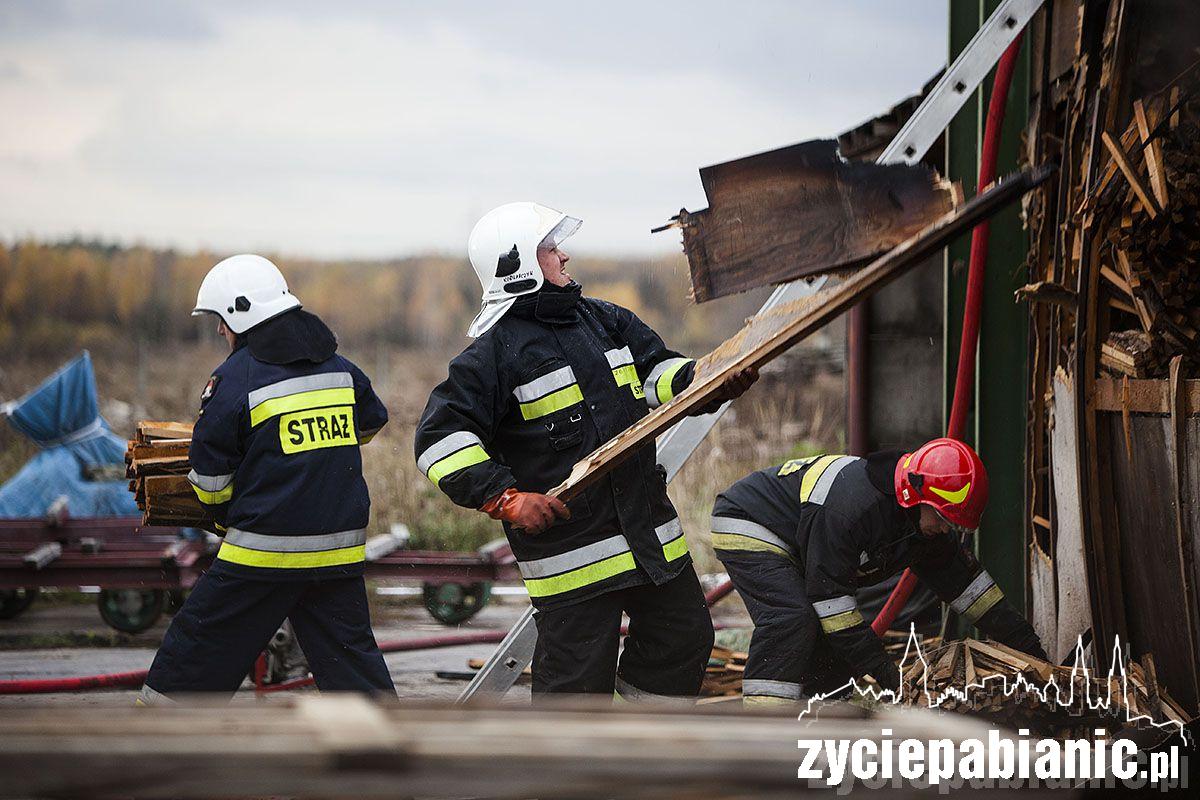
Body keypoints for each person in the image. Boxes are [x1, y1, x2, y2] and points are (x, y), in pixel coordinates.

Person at [415, 202, 757, 699]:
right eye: (550, 249)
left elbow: (656, 373)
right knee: (576, 685)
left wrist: (706, 380)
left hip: (650, 535)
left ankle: (640, 754)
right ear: (520, 264)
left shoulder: (604, 320)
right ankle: (567, 770)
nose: (564, 256)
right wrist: (505, 499)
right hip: (571, 554)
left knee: (684, 638)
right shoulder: (491, 356)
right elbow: (440, 440)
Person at [139, 254, 395, 703]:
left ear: (241, 314)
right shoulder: (339, 366)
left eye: (220, 319)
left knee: (197, 647)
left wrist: (224, 521)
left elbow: (210, 480)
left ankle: (156, 743)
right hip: (338, 550)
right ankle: (385, 752)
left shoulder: (234, 379)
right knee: (351, 662)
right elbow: (371, 421)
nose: (220, 330)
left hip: (261, 555)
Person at [709, 438, 1046, 705]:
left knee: (833, 646)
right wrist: (887, 674)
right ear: (916, 497)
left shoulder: (922, 527)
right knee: (792, 619)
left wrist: (1031, 650)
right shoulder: (853, 510)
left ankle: (821, 722)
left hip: (799, 542)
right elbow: (831, 603)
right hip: (750, 521)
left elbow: (973, 593)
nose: (946, 530)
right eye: (944, 520)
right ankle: (766, 730)